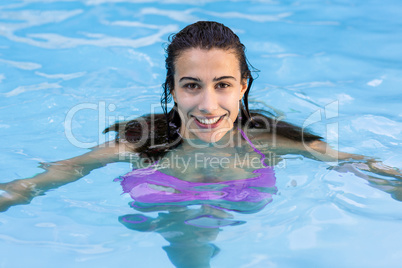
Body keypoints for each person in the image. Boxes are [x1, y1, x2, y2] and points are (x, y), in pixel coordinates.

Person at [0, 21, 401, 213]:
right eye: (192, 85)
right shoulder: (138, 145)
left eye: (223, 84)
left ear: (243, 85)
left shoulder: (268, 139)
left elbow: (353, 163)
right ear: (172, 89)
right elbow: (56, 174)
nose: (208, 105)